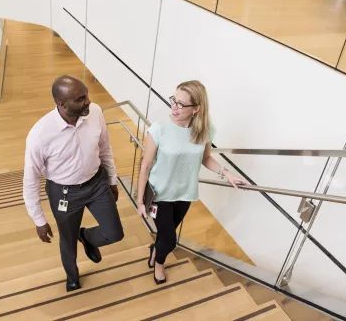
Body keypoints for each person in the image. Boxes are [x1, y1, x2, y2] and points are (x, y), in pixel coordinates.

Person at [136, 80, 246, 285]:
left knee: (164, 235)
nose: (174, 107)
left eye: (181, 104)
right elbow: (146, 165)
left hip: (185, 194)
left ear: (196, 108)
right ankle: (159, 263)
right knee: (170, 240)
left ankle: (156, 249)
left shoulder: (205, 130)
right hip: (160, 195)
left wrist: (226, 172)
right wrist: (140, 201)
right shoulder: (159, 129)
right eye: (174, 101)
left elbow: (205, 158)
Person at [23, 75, 124, 292]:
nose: (88, 101)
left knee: (114, 233)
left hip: (97, 183)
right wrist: (38, 219)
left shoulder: (95, 112)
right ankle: (72, 276)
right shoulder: (39, 135)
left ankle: (86, 236)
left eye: (87, 95)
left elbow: (105, 147)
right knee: (67, 241)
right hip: (64, 194)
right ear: (62, 104)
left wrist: (112, 179)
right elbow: (30, 180)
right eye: (81, 99)